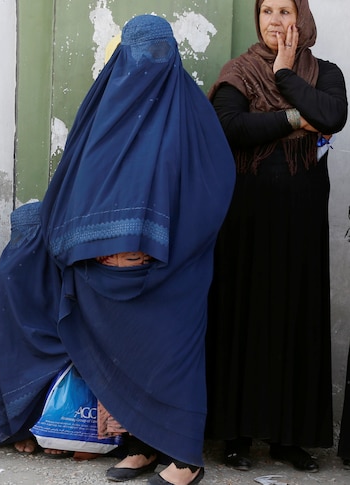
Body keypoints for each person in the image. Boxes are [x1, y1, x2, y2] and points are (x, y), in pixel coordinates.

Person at [40, 14, 235, 485]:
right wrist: (99, 247)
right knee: (124, 357)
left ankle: (185, 459)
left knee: (172, 357)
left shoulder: (191, 112)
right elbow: (75, 183)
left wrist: (155, 248)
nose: (149, 62)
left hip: (172, 269)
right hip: (107, 269)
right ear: (122, 55)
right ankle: (141, 446)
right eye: (139, 50)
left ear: (173, 56)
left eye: (159, 51)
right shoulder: (103, 108)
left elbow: (213, 188)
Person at [205, 0, 347, 473]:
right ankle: (236, 435)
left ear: (300, 19)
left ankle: (290, 439)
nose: (274, 21)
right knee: (243, 315)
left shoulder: (324, 72)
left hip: (302, 217)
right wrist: (291, 119)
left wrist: (286, 76)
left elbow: (330, 116)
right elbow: (229, 128)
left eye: (284, 11)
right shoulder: (239, 71)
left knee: (295, 315)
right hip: (245, 218)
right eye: (266, 10)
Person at [0, 202, 75, 458]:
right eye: (19, 236)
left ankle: (52, 429)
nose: (25, 244)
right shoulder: (10, 270)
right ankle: (21, 431)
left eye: (33, 235)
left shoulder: (67, 270)